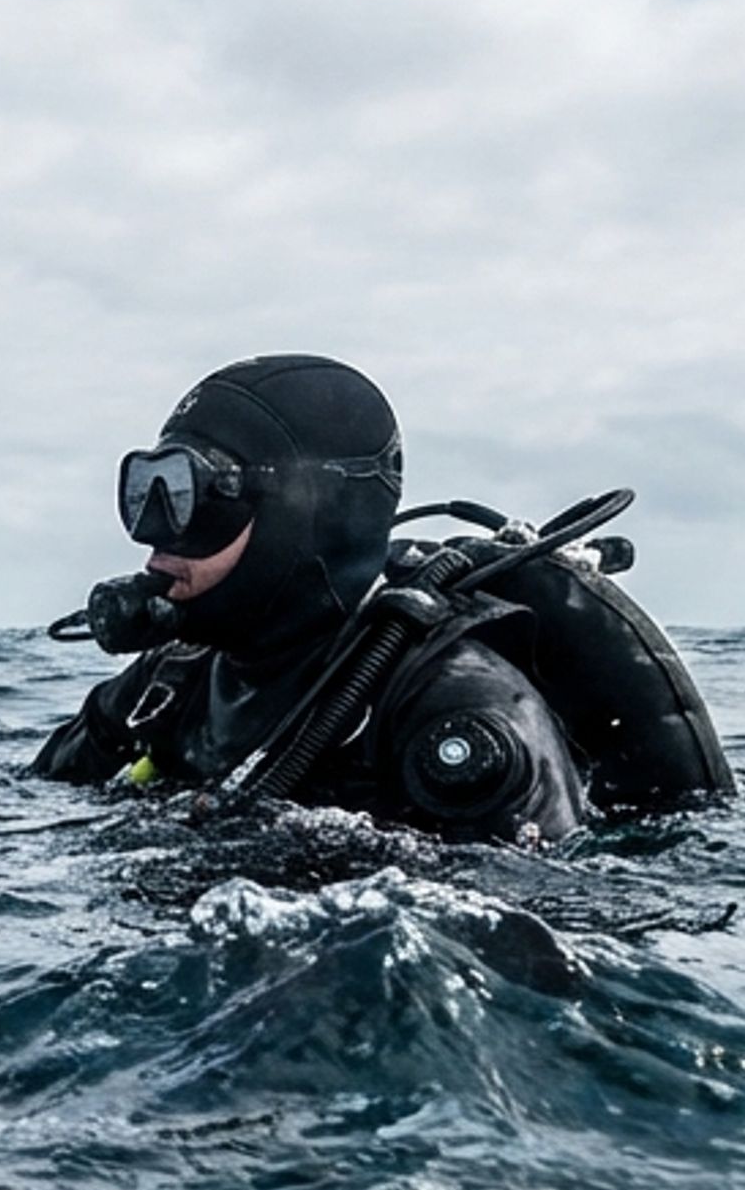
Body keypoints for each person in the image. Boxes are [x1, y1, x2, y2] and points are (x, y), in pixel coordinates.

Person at [34, 353, 595, 844]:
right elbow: (28, 803)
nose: (156, 533)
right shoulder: (170, 680)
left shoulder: (457, 708)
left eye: (195, 497)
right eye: (146, 492)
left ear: (300, 520)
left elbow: (537, 914)